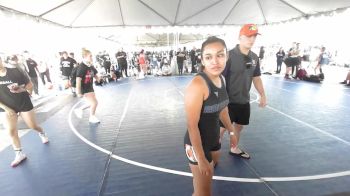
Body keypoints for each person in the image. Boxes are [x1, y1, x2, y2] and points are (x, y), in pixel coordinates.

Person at [184, 36, 237, 196]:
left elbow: (222, 109)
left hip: (214, 139)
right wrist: (200, 158)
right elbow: (192, 126)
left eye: (220, 55)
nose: (215, 61)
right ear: (202, 60)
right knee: (203, 193)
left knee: (213, 167)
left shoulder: (221, 78)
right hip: (196, 145)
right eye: (209, 57)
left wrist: (231, 131)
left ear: (226, 56)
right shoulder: (198, 85)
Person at [220, 24, 267, 159]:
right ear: (240, 37)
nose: (251, 39)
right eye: (248, 36)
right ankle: (212, 152)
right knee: (222, 128)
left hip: (243, 100)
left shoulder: (254, 57)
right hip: (227, 101)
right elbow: (219, 78)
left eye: (254, 36)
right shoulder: (228, 56)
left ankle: (234, 148)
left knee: (239, 126)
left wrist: (262, 95)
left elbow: (256, 77)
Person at [0, 56, 49, 167]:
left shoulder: (14, 71)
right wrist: (7, 109)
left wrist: (22, 89)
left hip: (23, 103)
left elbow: (30, 85)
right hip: (6, 107)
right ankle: (19, 153)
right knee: (11, 131)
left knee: (33, 126)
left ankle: (41, 132)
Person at [75, 49, 101, 123]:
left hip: (90, 86)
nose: (92, 57)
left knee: (93, 102)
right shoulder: (81, 67)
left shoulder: (90, 65)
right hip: (84, 88)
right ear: (85, 56)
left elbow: (95, 74)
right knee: (94, 103)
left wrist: (98, 79)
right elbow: (78, 80)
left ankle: (80, 109)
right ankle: (91, 117)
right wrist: (78, 92)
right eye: (90, 56)